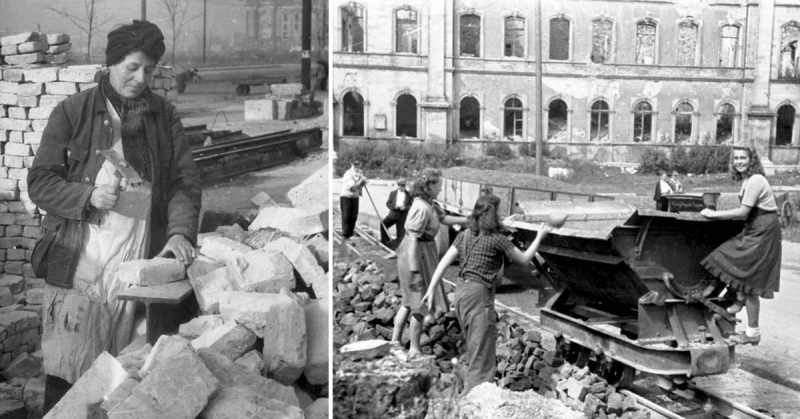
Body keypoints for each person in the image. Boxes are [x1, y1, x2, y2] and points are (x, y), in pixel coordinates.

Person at [27, 20, 201, 412]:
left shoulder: (163, 116)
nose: (141, 78)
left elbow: (183, 183)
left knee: (126, 375)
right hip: (80, 262)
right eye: (132, 67)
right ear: (110, 64)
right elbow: (39, 182)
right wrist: (87, 195)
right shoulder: (73, 112)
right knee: (70, 375)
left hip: (136, 263)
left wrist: (178, 233)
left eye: (150, 69)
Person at [421, 194, 552, 395]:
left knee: (475, 347)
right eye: (497, 212)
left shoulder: (464, 235)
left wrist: (431, 288)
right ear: (492, 215)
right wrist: (539, 237)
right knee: (481, 354)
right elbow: (525, 259)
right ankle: (475, 401)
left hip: (461, 292)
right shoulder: (498, 240)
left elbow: (444, 262)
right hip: (478, 295)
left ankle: (471, 395)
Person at [699, 146, 781, 346]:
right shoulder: (747, 180)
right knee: (739, 270)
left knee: (741, 273)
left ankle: (752, 332)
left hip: (763, 232)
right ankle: (739, 298)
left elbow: (743, 213)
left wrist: (713, 214)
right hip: (755, 228)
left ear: (752, 159)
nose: (739, 161)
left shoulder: (756, 180)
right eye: (736, 158)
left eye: (743, 158)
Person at [391, 168, 467, 356]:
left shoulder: (429, 204)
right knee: (418, 303)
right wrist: (415, 270)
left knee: (408, 302)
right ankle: (414, 348)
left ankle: (394, 341)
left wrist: (469, 219)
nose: (441, 189)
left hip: (423, 251)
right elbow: (413, 241)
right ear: (429, 185)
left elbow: (444, 218)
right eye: (439, 185)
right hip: (415, 254)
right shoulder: (420, 208)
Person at [380, 178, 412, 249]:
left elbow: (411, 205)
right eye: (401, 185)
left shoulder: (409, 194)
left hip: (402, 216)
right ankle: (385, 242)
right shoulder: (393, 193)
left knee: (400, 233)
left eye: (404, 185)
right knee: (383, 224)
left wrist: (405, 208)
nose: (402, 187)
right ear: (398, 185)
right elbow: (388, 204)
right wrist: (395, 206)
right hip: (393, 215)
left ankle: (398, 247)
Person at [340, 160, 367, 241]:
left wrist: (363, 181)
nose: (357, 166)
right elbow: (353, 188)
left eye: (358, 165)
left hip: (355, 197)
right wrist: (361, 180)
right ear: (352, 165)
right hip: (346, 197)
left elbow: (361, 184)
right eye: (355, 165)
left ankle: (350, 234)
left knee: (354, 216)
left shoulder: (359, 173)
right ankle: (345, 236)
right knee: (346, 216)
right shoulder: (348, 174)